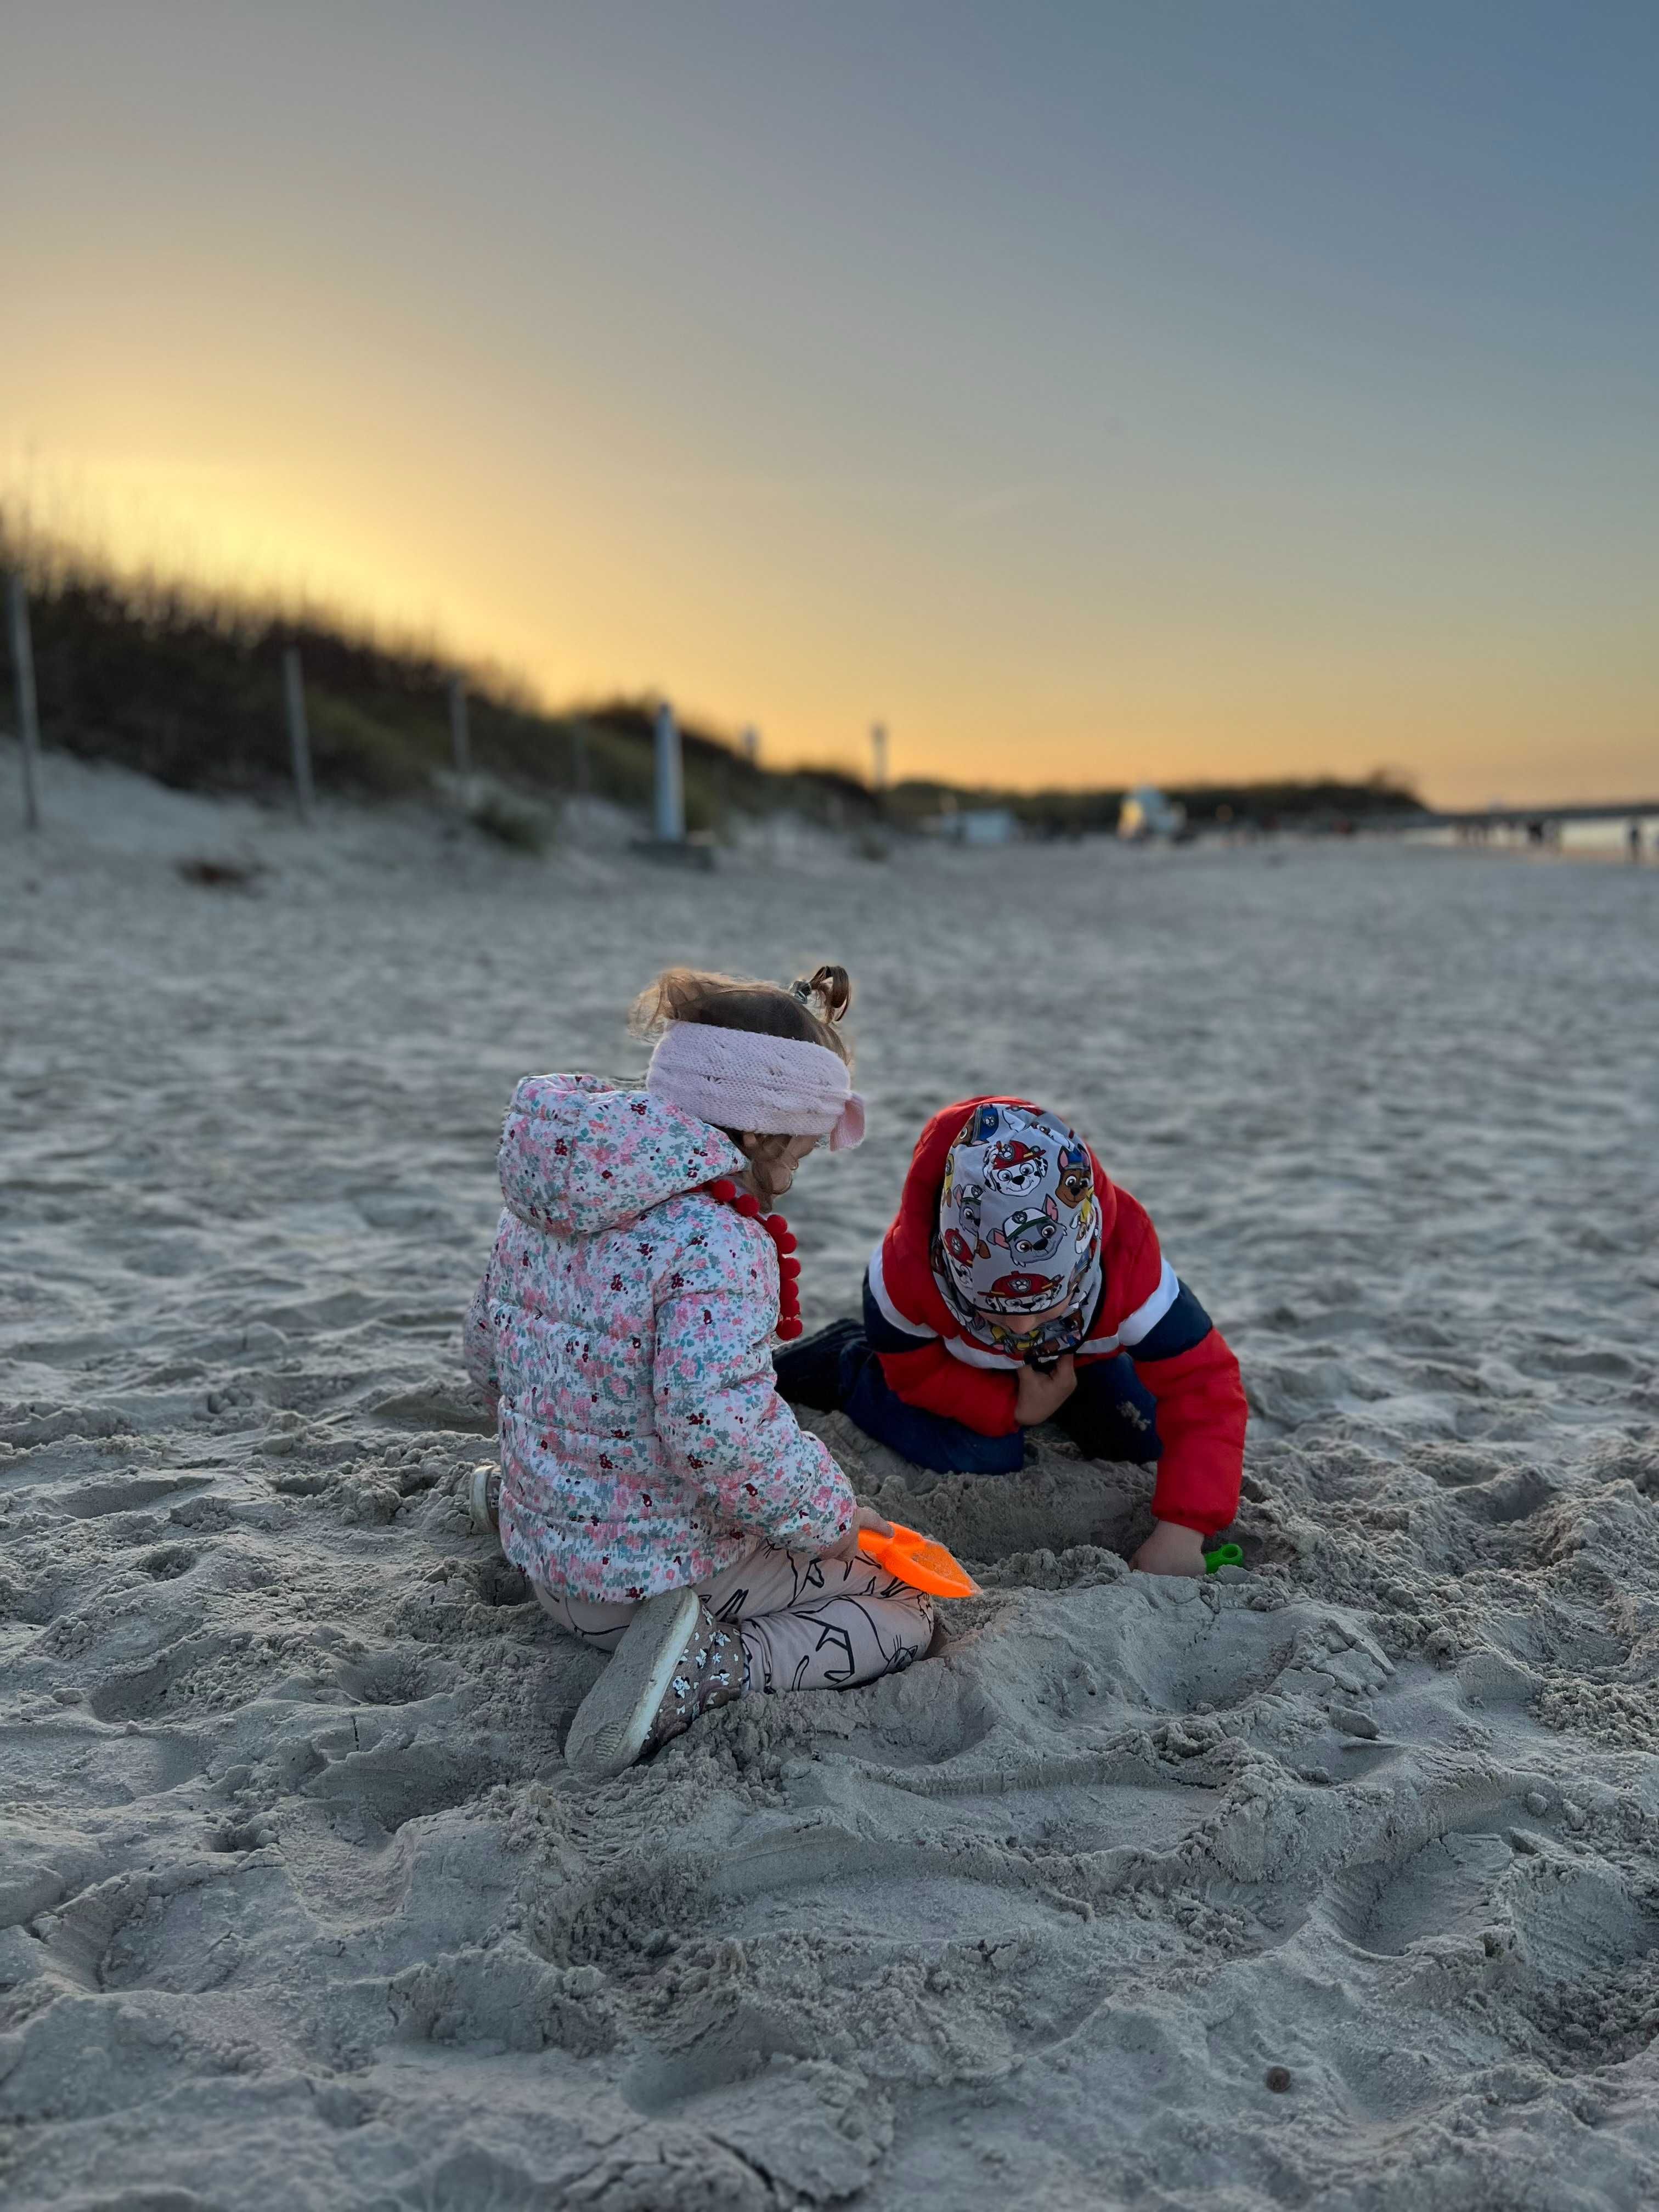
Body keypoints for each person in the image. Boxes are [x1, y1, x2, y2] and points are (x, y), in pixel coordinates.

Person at [461, 965, 933, 1779]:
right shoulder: (718, 1242)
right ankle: (706, 1668)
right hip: (641, 1590)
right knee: (903, 1611)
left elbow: (486, 1355)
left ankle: (513, 1493)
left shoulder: (553, 1198)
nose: (813, 1151)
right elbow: (718, 1431)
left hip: (545, 1551)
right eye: (806, 1135)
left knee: (586, 1418)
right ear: (755, 1133)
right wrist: (832, 1518)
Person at [774, 1097, 1247, 1576]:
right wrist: (1013, 1411)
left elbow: (1205, 1385)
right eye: (991, 1312)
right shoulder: (906, 1279)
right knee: (986, 1454)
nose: (1020, 1329)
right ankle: (847, 1365)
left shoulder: (1130, 1272)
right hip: (956, 1362)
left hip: (1079, 1360)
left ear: (1085, 1260)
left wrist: (1182, 1532)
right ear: (948, 1262)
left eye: (1044, 1308)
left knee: (1145, 1438)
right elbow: (915, 1373)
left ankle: (1059, 1394)